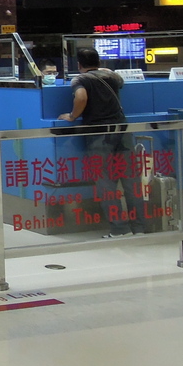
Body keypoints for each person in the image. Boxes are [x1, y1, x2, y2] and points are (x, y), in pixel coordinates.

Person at [58, 47, 151, 238]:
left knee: (105, 183)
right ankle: (140, 228)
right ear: (99, 62)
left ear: (79, 64)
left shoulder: (80, 79)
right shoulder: (112, 78)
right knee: (131, 181)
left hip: (99, 134)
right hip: (122, 131)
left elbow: (81, 96)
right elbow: (120, 80)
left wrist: (73, 115)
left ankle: (119, 229)